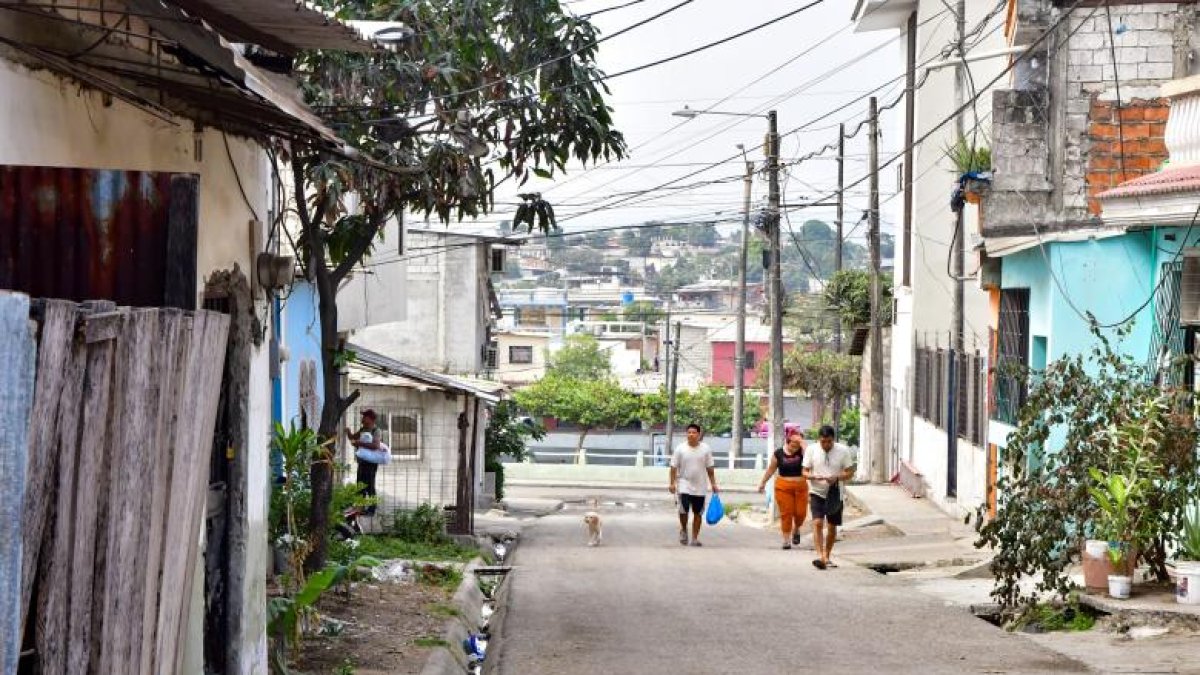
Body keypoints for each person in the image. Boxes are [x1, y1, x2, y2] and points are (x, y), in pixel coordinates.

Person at [802, 425, 856, 569]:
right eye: (823, 441)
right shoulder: (811, 450)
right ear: (819, 439)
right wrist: (813, 476)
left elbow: (850, 472)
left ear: (834, 439)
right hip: (816, 491)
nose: (826, 445)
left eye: (829, 442)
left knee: (832, 526)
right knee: (817, 523)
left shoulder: (843, 451)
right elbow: (804, 471)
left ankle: (827, 555)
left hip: (835, 493)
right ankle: (820, 556)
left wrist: (837, 477)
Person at [668, 423, 719, 547]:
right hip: (683, 484)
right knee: (683, 509)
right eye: (689, 432)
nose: (691, 434)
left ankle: (695, 538)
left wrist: (713, 483)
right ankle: (684, 529)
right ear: (686, 434)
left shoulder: (705, 449)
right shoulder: (680, 448)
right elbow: (673, 467)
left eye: (694, 432)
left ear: (699, 434)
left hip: (700, 486)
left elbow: (710, 468)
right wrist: (672, 483)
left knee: (698, 512)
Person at [757, 429, 808, 549]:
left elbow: (810, 454)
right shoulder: (778, 454)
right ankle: (786, 540)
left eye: (797, 446)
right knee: (786, 513)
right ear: (787, 442)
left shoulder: (803, 451)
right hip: (783, 487)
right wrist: (763, 482)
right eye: (793, 445)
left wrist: (801, 442)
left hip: (800, 486)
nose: (795, 448)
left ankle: (796, 529)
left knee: (801, 513)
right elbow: (771, 469)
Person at [345, 409, 382, 514]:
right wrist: (348, 432)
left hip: (371, 464)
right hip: (362, 462)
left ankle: (371, 510)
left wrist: (360, 443)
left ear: (370, 419)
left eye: (364, 416)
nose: (362, 419)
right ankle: (360, 509)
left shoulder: (376, 431)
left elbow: (375, 446)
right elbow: (353, 438)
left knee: (370, 487)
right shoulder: (363, 429)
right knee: (360, 486)